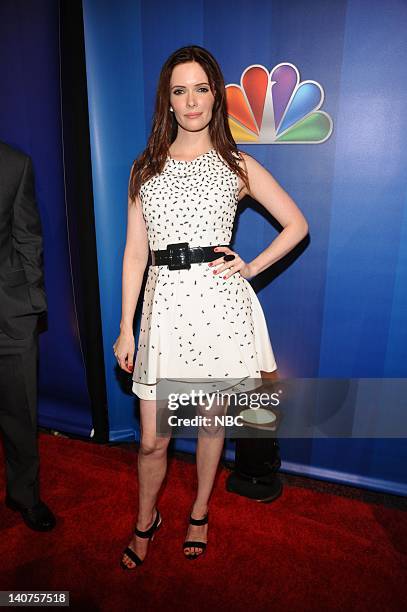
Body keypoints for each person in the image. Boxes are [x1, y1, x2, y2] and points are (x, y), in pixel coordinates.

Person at [113, 45, 308, 569]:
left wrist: (249, 267)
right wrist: (126, 327)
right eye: (180, 90)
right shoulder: (145, 168)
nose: (192, 100)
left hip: (220, 310)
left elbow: (296, 224)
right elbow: (135, 254)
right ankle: (145, 518)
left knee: (210, 425)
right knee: (153, 441)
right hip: (164, 311)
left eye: (201, 88)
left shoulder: (235, 162)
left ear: (215, 98)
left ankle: (199, 511)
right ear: (168, 102)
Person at [0, 141, 56, 531]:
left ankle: (24, 495)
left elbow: (28, 238)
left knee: (21, 414)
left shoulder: (15, 164)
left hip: (9, 314)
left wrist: (29, 302)